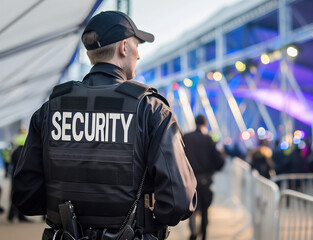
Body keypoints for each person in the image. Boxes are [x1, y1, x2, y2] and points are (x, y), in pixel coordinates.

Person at [12, 11, 197, 240]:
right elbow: (180, 201)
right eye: (137, 45)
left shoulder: (49, 110)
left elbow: (26, 197)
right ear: (123, 47)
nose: (138, 55)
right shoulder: (150, 110)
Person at [183, 114, 225, 240]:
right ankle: (204, 235)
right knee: (205, 210)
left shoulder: (186, 138)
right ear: (205, 124)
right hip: (205, 180)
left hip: (189, 180)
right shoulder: (209, 140)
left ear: (195, 123)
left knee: (191, 208)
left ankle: (193, 233)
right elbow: (219, 162)